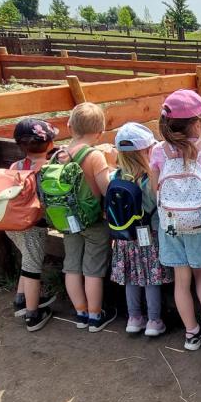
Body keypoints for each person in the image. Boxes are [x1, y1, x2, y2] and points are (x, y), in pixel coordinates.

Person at [151, 89, 201, 350]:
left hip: (170, 224)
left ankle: (191, 333)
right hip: (199, 222)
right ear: (196, 123)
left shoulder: (158, 152)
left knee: (181, 280)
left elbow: (154, 189)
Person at [55, 102, 117, 331]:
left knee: (72, 266)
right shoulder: (94, 157)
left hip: (68, 220)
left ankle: (80, 313)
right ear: (100, 133)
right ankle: (95, 315)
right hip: (93, 221)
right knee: (93, 269)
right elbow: (106, 189)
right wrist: (111, 165)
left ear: (69, 126)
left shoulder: (60, 154)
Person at [109, 121, 171, 337]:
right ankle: (154, 320)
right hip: (149, 235)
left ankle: (134, 318)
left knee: (132, 278)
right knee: (151, 279)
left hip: (125, 238)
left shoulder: (115, 177)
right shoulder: (149, 178)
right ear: (147, 150)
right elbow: (158, 202)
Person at [5, 118, 59, 332]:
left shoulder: (15, 166)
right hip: (33, 226)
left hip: (12, 223)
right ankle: (33, 314)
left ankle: (21, 299)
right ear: (50, 144)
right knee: (32, 269)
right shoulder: (49, 167)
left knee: (28, 260)